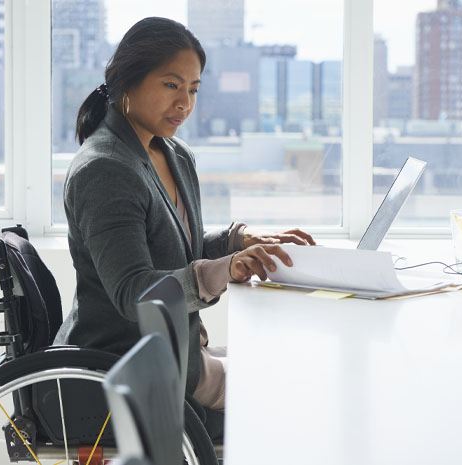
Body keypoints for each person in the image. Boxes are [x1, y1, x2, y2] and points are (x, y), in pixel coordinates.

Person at [54, 17, 315, 412]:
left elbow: (173, 248)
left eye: (193, 89)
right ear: (128, 80)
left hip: (183, 352)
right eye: (171, 85)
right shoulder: (104, 169)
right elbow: (134, 292)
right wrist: (227, 268)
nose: (185, 103)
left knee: (295, 364)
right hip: (135, 367)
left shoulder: (172, 154)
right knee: (299, 392)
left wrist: (239, 242)